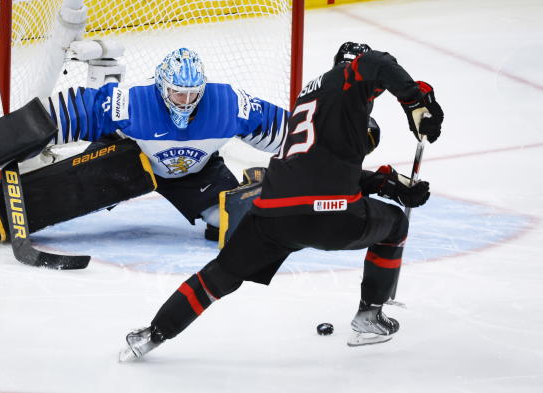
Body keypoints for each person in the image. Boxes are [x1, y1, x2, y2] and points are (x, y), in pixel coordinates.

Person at [117, 42, 444, 361]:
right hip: (331, 212)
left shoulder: (310, 96)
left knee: (221, 273)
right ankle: (369, 317)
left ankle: (152, 334)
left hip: (275, 211)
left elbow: (313, 167)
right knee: (395, 224)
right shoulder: (350, 79)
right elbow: (377, 62)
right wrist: (416, 100)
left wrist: (381, 182)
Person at [46, 47, 288, 240]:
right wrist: (25, 135)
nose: (186, 101)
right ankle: (12, 211)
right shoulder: (134, 101)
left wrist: (319, 154)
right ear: (162, 87)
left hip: (194, 174)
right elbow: (75, 113)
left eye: (193, 93)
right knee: (67, 195)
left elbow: (287, 131)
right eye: (178, 93)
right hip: (127, 163)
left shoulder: (228, 105)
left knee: (234, 220)